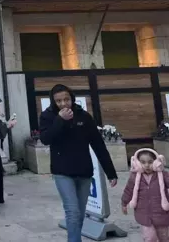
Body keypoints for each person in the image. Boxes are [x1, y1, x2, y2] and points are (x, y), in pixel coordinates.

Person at [40, 84, 117, 242]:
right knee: (72, 212)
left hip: (84, 171)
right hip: (62, 172)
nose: (63, 103)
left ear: (72, 99)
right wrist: (60, 120)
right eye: (59, 101)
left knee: (80, 214)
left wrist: (111, 172)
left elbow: (98, 145)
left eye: (66, 99)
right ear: (53, 102)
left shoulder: (83, 116)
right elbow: (46, 139)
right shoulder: (48, 116)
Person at [121, 149, 169, 242]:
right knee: (149, 238)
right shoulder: (134, 176)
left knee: (164, 237)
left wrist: (163, 171)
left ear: (156, 162)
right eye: (143, 162)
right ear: (137, 163)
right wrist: (124, 203)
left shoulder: (163, 175)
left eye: (150, 162)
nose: (147, 165)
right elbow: (128, 190)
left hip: (162, 214)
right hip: (144, 214)